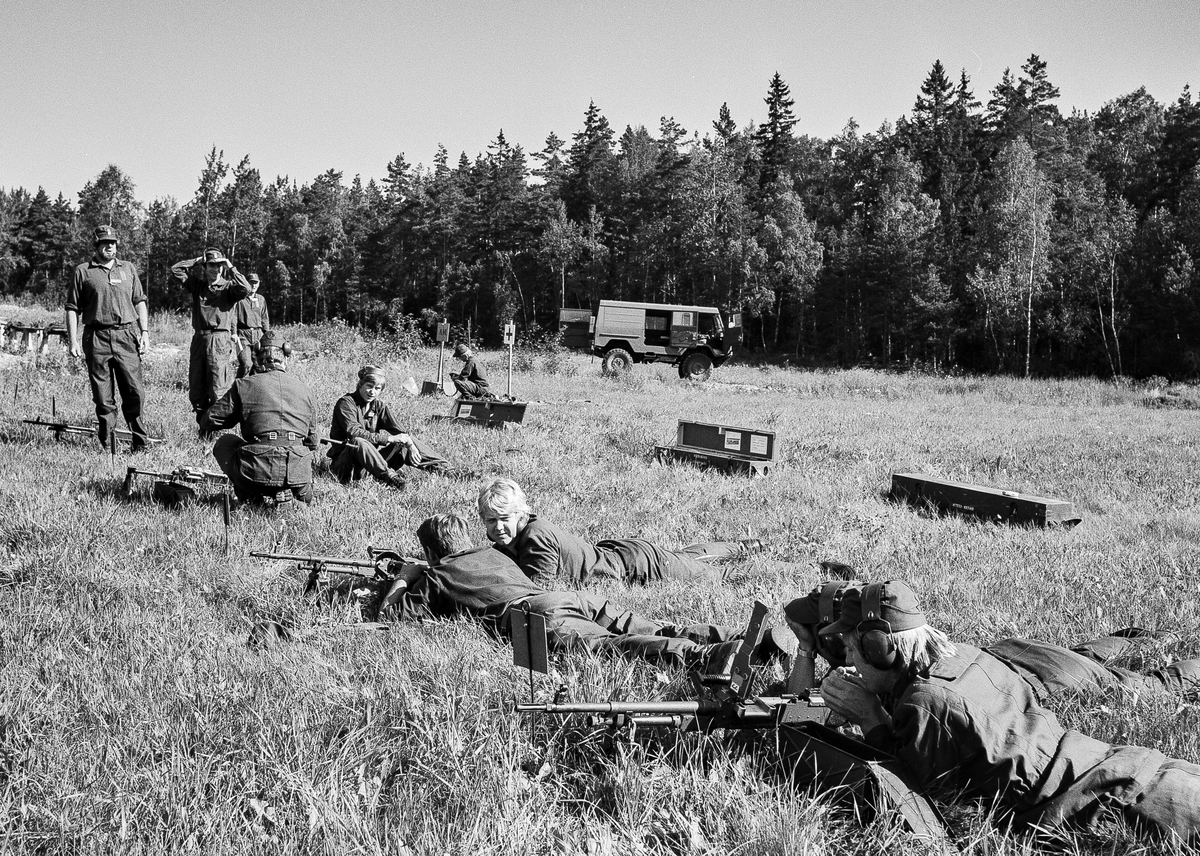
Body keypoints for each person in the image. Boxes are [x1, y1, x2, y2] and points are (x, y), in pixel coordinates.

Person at [819, 580, 1200, 842]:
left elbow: (910, 802)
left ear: (878, 648)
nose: (848, 658)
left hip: (1114, 804)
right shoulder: (965, 657)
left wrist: (870, 719)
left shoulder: (926, 704)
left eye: (852, 649)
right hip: (1125, 766)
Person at [380, 514, 790, 672]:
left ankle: (707, 657)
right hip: (568, 598)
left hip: (537, 616)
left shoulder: (436, 577)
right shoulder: (491, 551)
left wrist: (405, 576)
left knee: (616, 647)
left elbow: (393, 617)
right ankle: (740, 639)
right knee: (656, 624)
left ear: (432, 552)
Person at [783, 579, 1200, 702]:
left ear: (877, 645)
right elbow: (796, 706)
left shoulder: (885, 668)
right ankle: (1133, 637)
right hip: (1006, 654)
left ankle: (1147, 643)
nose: (846, 650)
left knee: (1149, 687)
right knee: (1082, 654)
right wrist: (804, 650)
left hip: (1042, 677)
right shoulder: (891, 646)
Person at [477, 478, 762, 586]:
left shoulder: (535, 537)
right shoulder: (511, 539)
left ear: (520, 514)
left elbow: (539, 592)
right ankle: (744, 545)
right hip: (622, 553)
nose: (497, 527)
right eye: (490, 521)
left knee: (718, 577)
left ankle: (787, 567)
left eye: (504, 518)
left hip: (639, 567)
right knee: (686, 557)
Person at [64, 225, 151, 451]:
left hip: (126, 336)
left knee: (135, 393)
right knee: (103, 398)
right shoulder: (83, 271)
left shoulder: (128, 269)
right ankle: (108, 446)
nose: (109, 246)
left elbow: (139, 301)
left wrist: (145, 333)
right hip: (96, 337)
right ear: (96, 245)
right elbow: (72, 308)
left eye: (112, 243)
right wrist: (72, 341)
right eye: (105, 243)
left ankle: (140, 444)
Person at [200, 339, 318, 505]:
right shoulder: (306, 390)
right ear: (286, 358)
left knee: (225, 442)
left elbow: (209, 421)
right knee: (303, 490)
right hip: (298, 474)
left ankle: (249, 496)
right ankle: (295, 495)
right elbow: (313, 443)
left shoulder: (244, 385)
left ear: (258, 359)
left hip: (256, 473)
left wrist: (240, 411)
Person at [328, 365, 449, 489]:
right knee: (358, 442)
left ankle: (446, 470)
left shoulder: (379, 406)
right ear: (360, 385)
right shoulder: (346, 403)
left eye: (377, 388)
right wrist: (389, 439)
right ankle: (392, 479)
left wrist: (410, 445)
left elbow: (401, 432)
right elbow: (354, 432)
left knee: (403, 441)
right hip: (346, 467)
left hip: (370, 466)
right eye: (369, 386)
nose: (372, 391)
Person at [171, 248, 250, 427]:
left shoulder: (229, 287)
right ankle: (202, 427)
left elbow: (245, 288)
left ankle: (215, 429)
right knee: (197, 386)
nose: (216, 269)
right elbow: (176, 269)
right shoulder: (198, 286)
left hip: (219, 340)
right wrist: (198, 259)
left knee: (217, 387)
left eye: (219, 266)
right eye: (212, 265)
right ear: (205, 267)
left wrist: (231, 267)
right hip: (199, 339)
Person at [234, 273, 270, 378]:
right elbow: (234, 317)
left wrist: (267, 335)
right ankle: (237, 387)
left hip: (258, 335)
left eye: (256, 283)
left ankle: (252, 391)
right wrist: (233, 333)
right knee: (246, 364)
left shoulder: (261, 299)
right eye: (251, 283)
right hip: (242, 335)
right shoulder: (240, 299)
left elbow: (264, 318)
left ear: (259, 284)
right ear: (246, 283)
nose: (253, 285)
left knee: (258, 366)